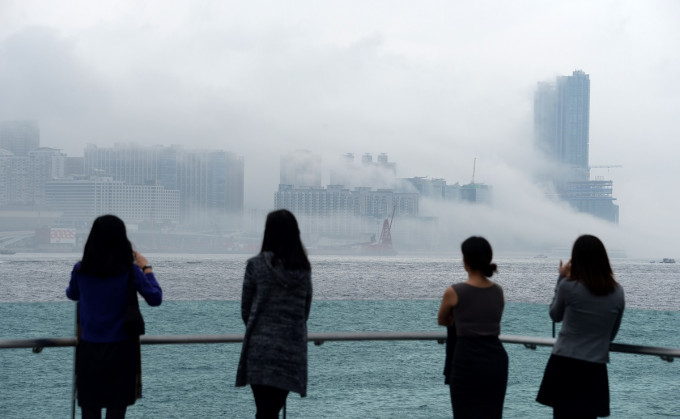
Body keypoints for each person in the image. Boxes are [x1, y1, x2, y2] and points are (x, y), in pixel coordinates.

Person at [66, 215, 162, 419]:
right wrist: (146, 267)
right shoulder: (129, 271)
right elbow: (155, 298)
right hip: (122, 350)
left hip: (89, 349)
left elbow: (72, 294)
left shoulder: (81, 270)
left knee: (90, 410)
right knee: (116, 411)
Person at [236, 209, 313, 418]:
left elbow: (245, 310)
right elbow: (304, 312)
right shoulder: (303, 270)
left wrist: (262, 330)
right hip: (290, 350)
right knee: (272, 409)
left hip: (259, 350)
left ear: (267, 232)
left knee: (263, 410)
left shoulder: (256, 266)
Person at [537, 235, 625, 418]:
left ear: (576, 259)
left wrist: (560, 278)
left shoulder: (568, 286)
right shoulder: (617, 292)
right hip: (595, 368)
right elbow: (611, 334)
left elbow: (555, 315)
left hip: (565, 364)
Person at [438, 236, 508, 418]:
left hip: (466, 359)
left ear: (466, 261)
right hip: (495, 359)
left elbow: (442, 319)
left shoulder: (454, 291)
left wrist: (458, 319)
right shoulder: (497, 290)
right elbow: (494, 317)